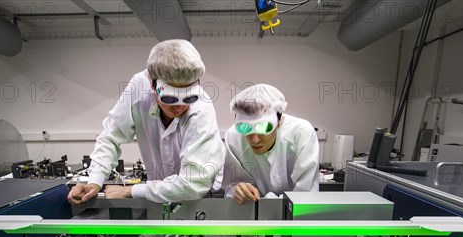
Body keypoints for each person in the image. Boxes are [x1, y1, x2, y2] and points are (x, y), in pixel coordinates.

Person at [68, 39, 224, 205]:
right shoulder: (138, 88)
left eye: (188, 97)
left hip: (204, 198)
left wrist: (131, 191)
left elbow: (193, 185)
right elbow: (111, 136)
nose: (179, 106)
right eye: (170, 98)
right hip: (157, 197)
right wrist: (94, 181)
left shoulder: (201, 109)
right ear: (152, 84)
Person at [223, 84, 320, 205]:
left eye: (264, 127)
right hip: (251, 215)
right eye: (245, 128)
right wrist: (238, 191)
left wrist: (268, 203)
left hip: (294, 217)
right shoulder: (234, 138)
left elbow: (305, 196)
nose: (255, 140)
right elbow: (231, 187)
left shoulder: (302, 133)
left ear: (280, 122)